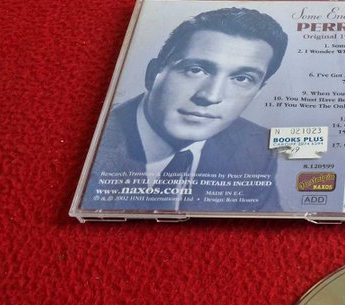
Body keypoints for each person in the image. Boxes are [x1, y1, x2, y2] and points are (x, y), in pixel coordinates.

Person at [81, 7, 288, 213]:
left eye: (242, 79)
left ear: (258, 91)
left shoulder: (257, 147)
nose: (211, 96)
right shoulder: (92, 145)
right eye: (195, 70)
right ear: (153, 74)